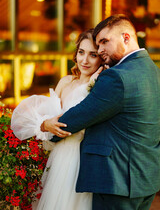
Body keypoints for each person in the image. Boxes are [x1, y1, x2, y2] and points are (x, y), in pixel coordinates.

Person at [43, 14, 160, 210]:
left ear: (126, 37)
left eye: (105, 42)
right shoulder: (152, 70)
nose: (101, 49)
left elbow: (76, 118)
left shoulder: (117, 76)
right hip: (145, 179)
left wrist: (44, 128)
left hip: (117, 181)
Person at [11, 29, 104, 210]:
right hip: (59, 155)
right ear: (76, 53)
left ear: (101, 57)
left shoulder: (101, 85)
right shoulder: (66, 82)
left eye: (93, 55)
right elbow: (47, 117)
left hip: (81, 157)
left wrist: (92, 85)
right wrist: (45, 124)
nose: (85, 60)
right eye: (81, 52)